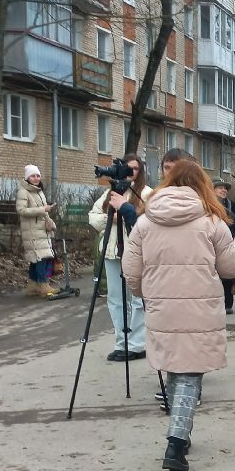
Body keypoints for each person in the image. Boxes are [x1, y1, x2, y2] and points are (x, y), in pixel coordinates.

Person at [122, 159, 235, 471]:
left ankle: (182, 434)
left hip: (162, 307)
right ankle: (176, 442)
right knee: (190, 372)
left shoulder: (145, 222)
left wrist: (145, 293)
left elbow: (131, 271)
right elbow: (232, 268)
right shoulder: (212, 221)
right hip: (200, 309)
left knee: (176, 369)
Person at [89, 154, 152, 362]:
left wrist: (126, 212)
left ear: (140, 171)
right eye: (127, 168)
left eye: (134, 169)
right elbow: (94, 216)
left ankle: (136, 344)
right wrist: (113, 217)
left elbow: (148, 221)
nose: (130, 172)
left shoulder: (146, 193)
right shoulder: (112, 192)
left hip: (135, 251)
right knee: (115, 299)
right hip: (111, 250)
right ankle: (121, 342)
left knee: (136, 299)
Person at [16, 165, 59, 298]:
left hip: (41, 231)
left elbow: (42, 211)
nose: (36, 178)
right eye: (33, 176)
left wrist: (49, 221)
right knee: (41, 258)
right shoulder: (24, 192)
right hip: (32, 232)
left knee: (36, 259)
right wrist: (42, 210)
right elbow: (21, 210)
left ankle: (33, 286)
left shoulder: (39, 191)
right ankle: (43, 285)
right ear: (27, 178)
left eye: (38, 176)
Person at [213, 180, 235, 315]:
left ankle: (228, 304)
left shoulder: (232, 205)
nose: (223, 190)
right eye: (220, 188)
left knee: (228, 275)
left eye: (225, 188)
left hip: (230, 242)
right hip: (214, 243)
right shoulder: (207, 204)